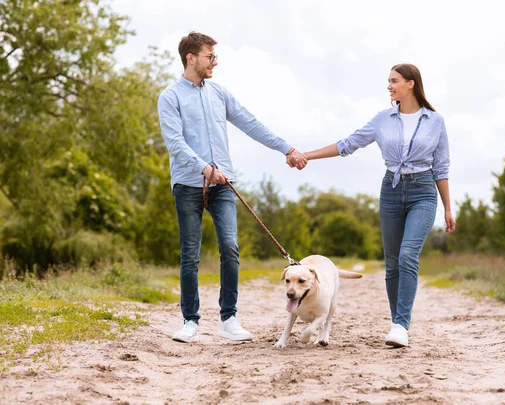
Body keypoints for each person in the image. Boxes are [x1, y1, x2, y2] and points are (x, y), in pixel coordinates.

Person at [157, 32, 307, 343]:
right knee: (190, 254)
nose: (215, 61)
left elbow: (251, 123)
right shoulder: (170, 97)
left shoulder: (219, 93)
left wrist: (287, 149)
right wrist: (204, 168)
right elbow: (175, 143)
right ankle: (190, 321)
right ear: (191, 58)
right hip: (188, 184)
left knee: (230, 247)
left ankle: (229, 318)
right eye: (210, 56)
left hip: (223, 184)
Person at [300, 63, 456, 347]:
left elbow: (441, 168)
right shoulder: (383, 119)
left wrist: (447, 207)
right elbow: (349, 143)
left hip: (423, 191)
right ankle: (396, 320)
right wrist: (308, 156)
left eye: (393, 81)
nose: (389, 86)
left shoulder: (435, 121)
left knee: (408, 255)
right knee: (393, 263)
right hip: (391, 191)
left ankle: (401, 326)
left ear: (410, 84)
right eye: (388, 81)